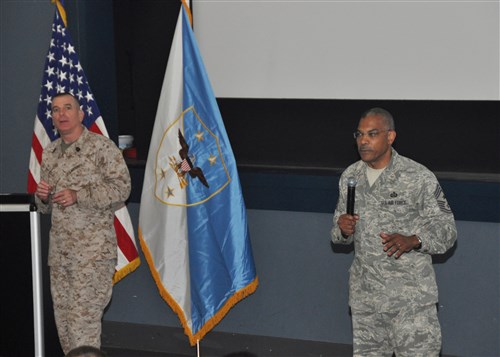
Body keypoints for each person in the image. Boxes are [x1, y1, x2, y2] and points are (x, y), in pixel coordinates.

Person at [331, 108, 457, 357]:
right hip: (366, 301)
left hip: (410, 303)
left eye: (372, 134)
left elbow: (447, 231)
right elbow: (339, 235)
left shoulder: (418, 176)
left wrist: (415, 240)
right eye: (359, 134)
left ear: (390, 137)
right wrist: (342, 230)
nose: (363, 140)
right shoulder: (350, 176)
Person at [35, 92, 131, 354]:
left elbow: (122, 189)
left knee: (83, 329)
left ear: (81, 114)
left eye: (68, 108)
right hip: (61, 256)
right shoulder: (51, 152)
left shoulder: (101, 148)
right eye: (55, 110)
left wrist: (79, 195)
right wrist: (41, 197)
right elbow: (45, 208)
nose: (61, 114)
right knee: (65, 328)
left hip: (92, 255)